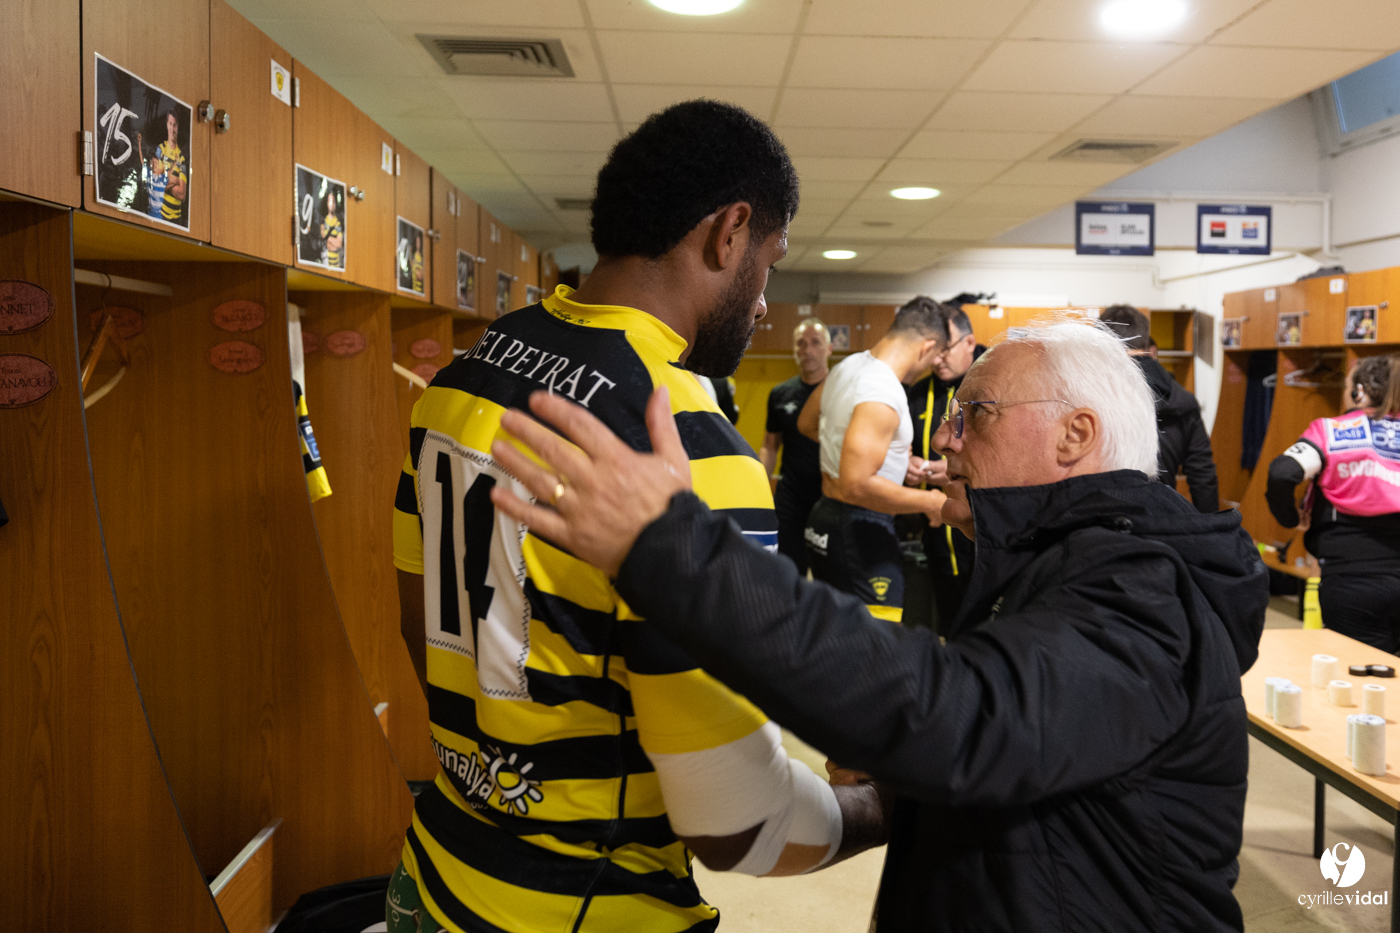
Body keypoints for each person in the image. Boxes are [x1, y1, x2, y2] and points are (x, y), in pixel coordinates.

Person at [487, 317, 1269, 933]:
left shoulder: (1144, 588)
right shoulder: (1047, 566)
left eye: (976, 414)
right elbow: (1029, 761)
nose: (944, 438)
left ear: (1076, 435)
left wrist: (673, 549)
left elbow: (970, 717)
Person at [389, 100, 878, 933]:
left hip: (433, 880)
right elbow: (735, 819)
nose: (766, 301)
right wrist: (877, 809)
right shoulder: (689, 444)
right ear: (730, 233)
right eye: (771, 260)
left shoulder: (463, 377)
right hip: (588, 911)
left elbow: (416, 624)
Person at [794, 297, 948, 622]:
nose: (928, 369)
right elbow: (856, 484)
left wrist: (887, 458)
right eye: (933, 359)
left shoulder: (848, 367)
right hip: (860, 527)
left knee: (835, 637)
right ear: (927, 347)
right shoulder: (883, 389)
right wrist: (931, 502)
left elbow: (807, 424)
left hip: (825, 518)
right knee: (876, 650)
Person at [1266, 355, 1400, 651]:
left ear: (1358, 392)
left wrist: (1290, 518)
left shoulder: (1331, 430)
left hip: (1353, 579)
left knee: (1358, 679)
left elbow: (1281, 473)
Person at [904, 302, 985, 629]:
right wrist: (905, 465)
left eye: (946, 348)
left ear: (969, 342)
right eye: (933, 349)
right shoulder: (917, 393)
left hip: (980, 533)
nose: (938, 358)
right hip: (932, 532)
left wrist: (954, 472)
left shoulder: (990, 391)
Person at [1100, 304, 1219, 513]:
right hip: (1162, 519)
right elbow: (1202, 477)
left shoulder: (1093, 392)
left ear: (1102, 341)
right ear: (1146, 341)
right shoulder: (1184, 399)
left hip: (1102, 521)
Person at [759, 319, 832, 573]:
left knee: (829, 576)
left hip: (830, 497)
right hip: (791, 500)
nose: (808, 350)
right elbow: (770, 445)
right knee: (788, 572)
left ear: (829, 349)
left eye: (815, 343)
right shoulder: (781, 394)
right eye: (801, 344)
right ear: (793, 349)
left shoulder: (843, 392)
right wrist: (758, 486)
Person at [155, 110, 187, 226]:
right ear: (166, 125)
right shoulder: (161, 150)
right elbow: (156, 184)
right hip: (160, 214)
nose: (172, 129)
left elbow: (182, 194)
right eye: (170, 124)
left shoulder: (181, 158)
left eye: (175, 125)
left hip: (176, 221)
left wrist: (165, 180)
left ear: (177, 127)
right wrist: (175, 180)